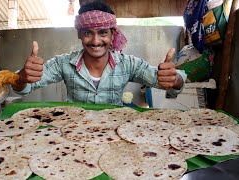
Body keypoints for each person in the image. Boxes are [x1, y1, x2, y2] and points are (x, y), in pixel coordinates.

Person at [12, 1, 186, 106]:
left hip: (114, 134)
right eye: (88, 33)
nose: (95, 41)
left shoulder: (129, 64)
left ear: (112, 35)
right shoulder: (63, 64)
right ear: (79, 34)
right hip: (75, 135)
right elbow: (23, 88)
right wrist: (21, 77)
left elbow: (170, 83)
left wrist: (174, 79)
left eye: (103, 32)